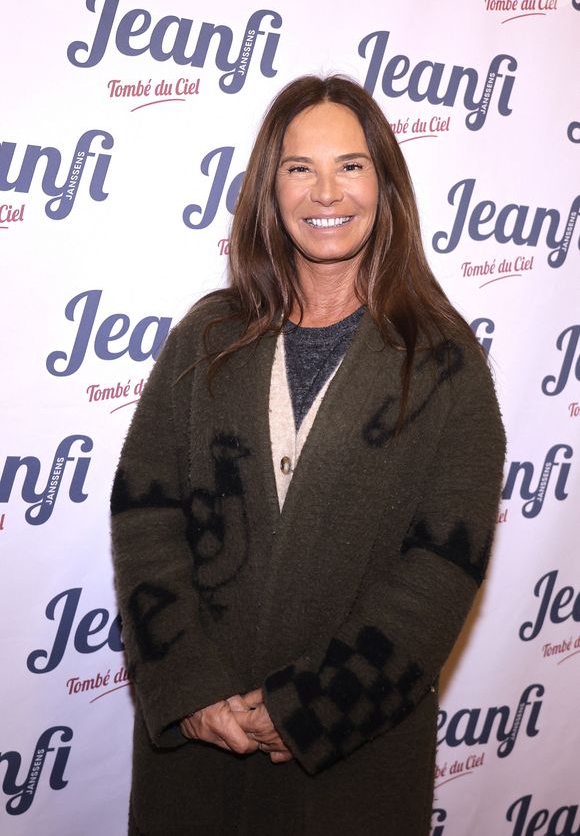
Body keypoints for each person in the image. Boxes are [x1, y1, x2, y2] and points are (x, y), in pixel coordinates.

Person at [111, 74, 505, 836]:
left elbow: (441, 569)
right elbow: (145, 514)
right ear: (271, 186)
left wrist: (313, 709)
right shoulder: (207, 336)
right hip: (199, 755)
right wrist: (189, 687)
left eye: (351, 165)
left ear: (385, 184)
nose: (327, 191)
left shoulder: (445, 360)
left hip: (351, 767)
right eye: (301, 168)